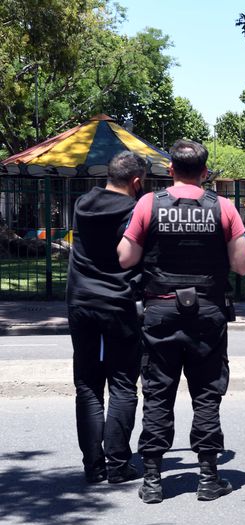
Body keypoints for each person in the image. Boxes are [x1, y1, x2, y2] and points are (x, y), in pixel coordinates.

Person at [117, 139, 245, 504]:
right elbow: (241, 264)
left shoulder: (149, 203)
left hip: (160, 312)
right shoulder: (222, 207)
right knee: (207, 393)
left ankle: (153, 481)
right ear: (205, 173)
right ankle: (208, 478)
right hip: (207, 313)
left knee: (158, 392)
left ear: (171, 170)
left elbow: (126, 258)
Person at [66, 151, 147, 484]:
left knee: (87, 384)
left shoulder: (83, 203)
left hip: (81, 300)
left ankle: (93, 466)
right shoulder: (135, 211)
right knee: (123, 384)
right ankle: (117, 464)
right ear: (137, 181)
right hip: (119, 302)